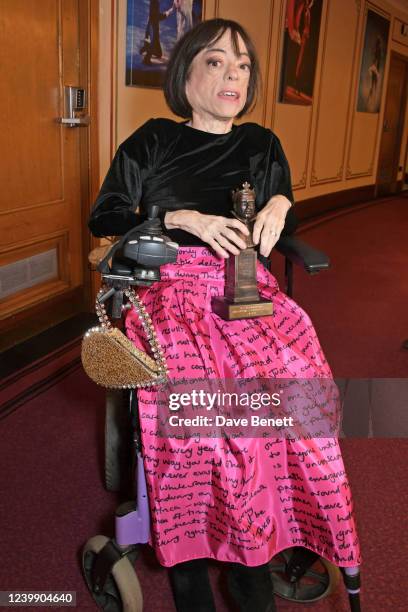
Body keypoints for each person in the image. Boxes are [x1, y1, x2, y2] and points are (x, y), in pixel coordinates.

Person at [89, 18, 361, 612]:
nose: (231, 75)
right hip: (168, 287)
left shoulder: (264, 145)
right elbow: (106, 218)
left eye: (241, 65)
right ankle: (198, 563)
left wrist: (283, 199)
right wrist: (180, 219)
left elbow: (281, 226)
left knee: (296, 388)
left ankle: (268, 534)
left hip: (245, 288)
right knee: (207, 404)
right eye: (215, 62)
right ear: (186, 73)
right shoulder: (153, 140)